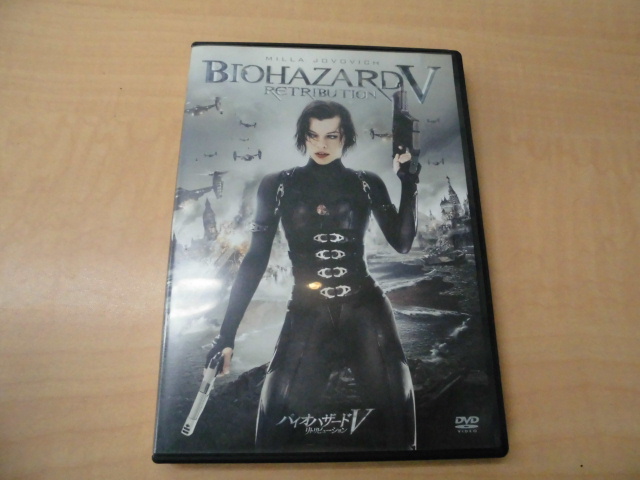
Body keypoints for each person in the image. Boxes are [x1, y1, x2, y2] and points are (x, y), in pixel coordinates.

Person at [207, 100, 420, 451]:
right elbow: (255, 260)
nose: (321, 144)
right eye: (313, 135)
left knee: (400, 419)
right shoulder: (276, 185)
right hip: (307, 309)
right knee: (273, 425)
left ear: (345, 137)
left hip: (366, 308)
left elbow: (402, 242)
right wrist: (226, 336)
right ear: (303, 137)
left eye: (331, 136)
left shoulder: (367, 183)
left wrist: (408, 181)